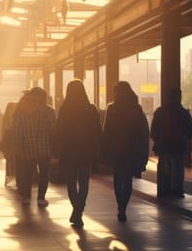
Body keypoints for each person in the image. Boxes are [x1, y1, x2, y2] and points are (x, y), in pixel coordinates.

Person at [102, 81, 149, 222]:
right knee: (128, 179)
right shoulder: (136, 108)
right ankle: (124, 206)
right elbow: (144, 130)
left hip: (117, 149)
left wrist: (104, 148)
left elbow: (107, 130)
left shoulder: (112, 109)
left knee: (117, 178)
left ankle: (120, 206)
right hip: (131, 149)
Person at [56, 79, 101, 227]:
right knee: (84, 183)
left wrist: (58, 150)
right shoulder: (91, 109)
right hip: (86, 151)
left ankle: (76, 209)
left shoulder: (64, 110)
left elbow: (59, 132)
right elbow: (97, 132)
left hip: (69, 151)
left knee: (71, 182)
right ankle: (78, 211)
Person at [13, 87, 56, 207]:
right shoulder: (49, 111)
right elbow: (53, 129)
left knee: (27, 173)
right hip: (44, 148)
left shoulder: (20, 111)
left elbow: (16, 131)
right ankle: (41, 198)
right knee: (44, 174)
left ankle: (26, 197)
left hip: (27, 148)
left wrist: (19, 147)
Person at [150, 88, 192, 198]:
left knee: (164, 166)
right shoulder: (183, 112)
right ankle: (178, 189)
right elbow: (190, 130)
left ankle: (164, 188)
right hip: (179, 145)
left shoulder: (160, 111)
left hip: (164, 145)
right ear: (179, 97)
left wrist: (158, 140)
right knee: (179, 167)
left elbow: (154, 130)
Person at [1, 102, 18, 186]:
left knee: (9, 161)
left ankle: (9, 177)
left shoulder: (6, 120)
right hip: (14, 144)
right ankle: (14, 177)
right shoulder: (18, 117)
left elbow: (3, 132)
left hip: (9, 145)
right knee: (14, 161)